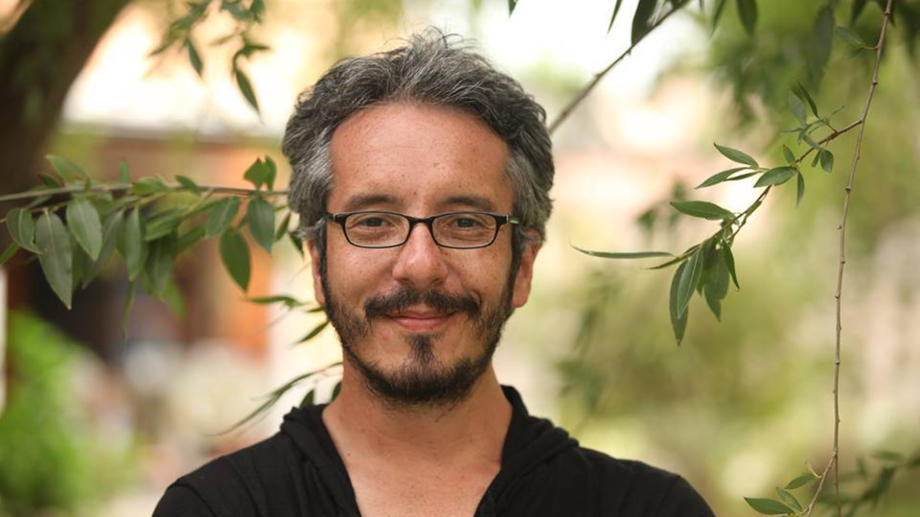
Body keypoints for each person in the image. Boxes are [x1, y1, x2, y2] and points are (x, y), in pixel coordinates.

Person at [153, 29, 716, 517]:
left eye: (465, 222)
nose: (420, 264)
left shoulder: (648, 511)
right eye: (374, 221)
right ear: (318, 263)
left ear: (523, 265)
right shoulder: (216, 511)